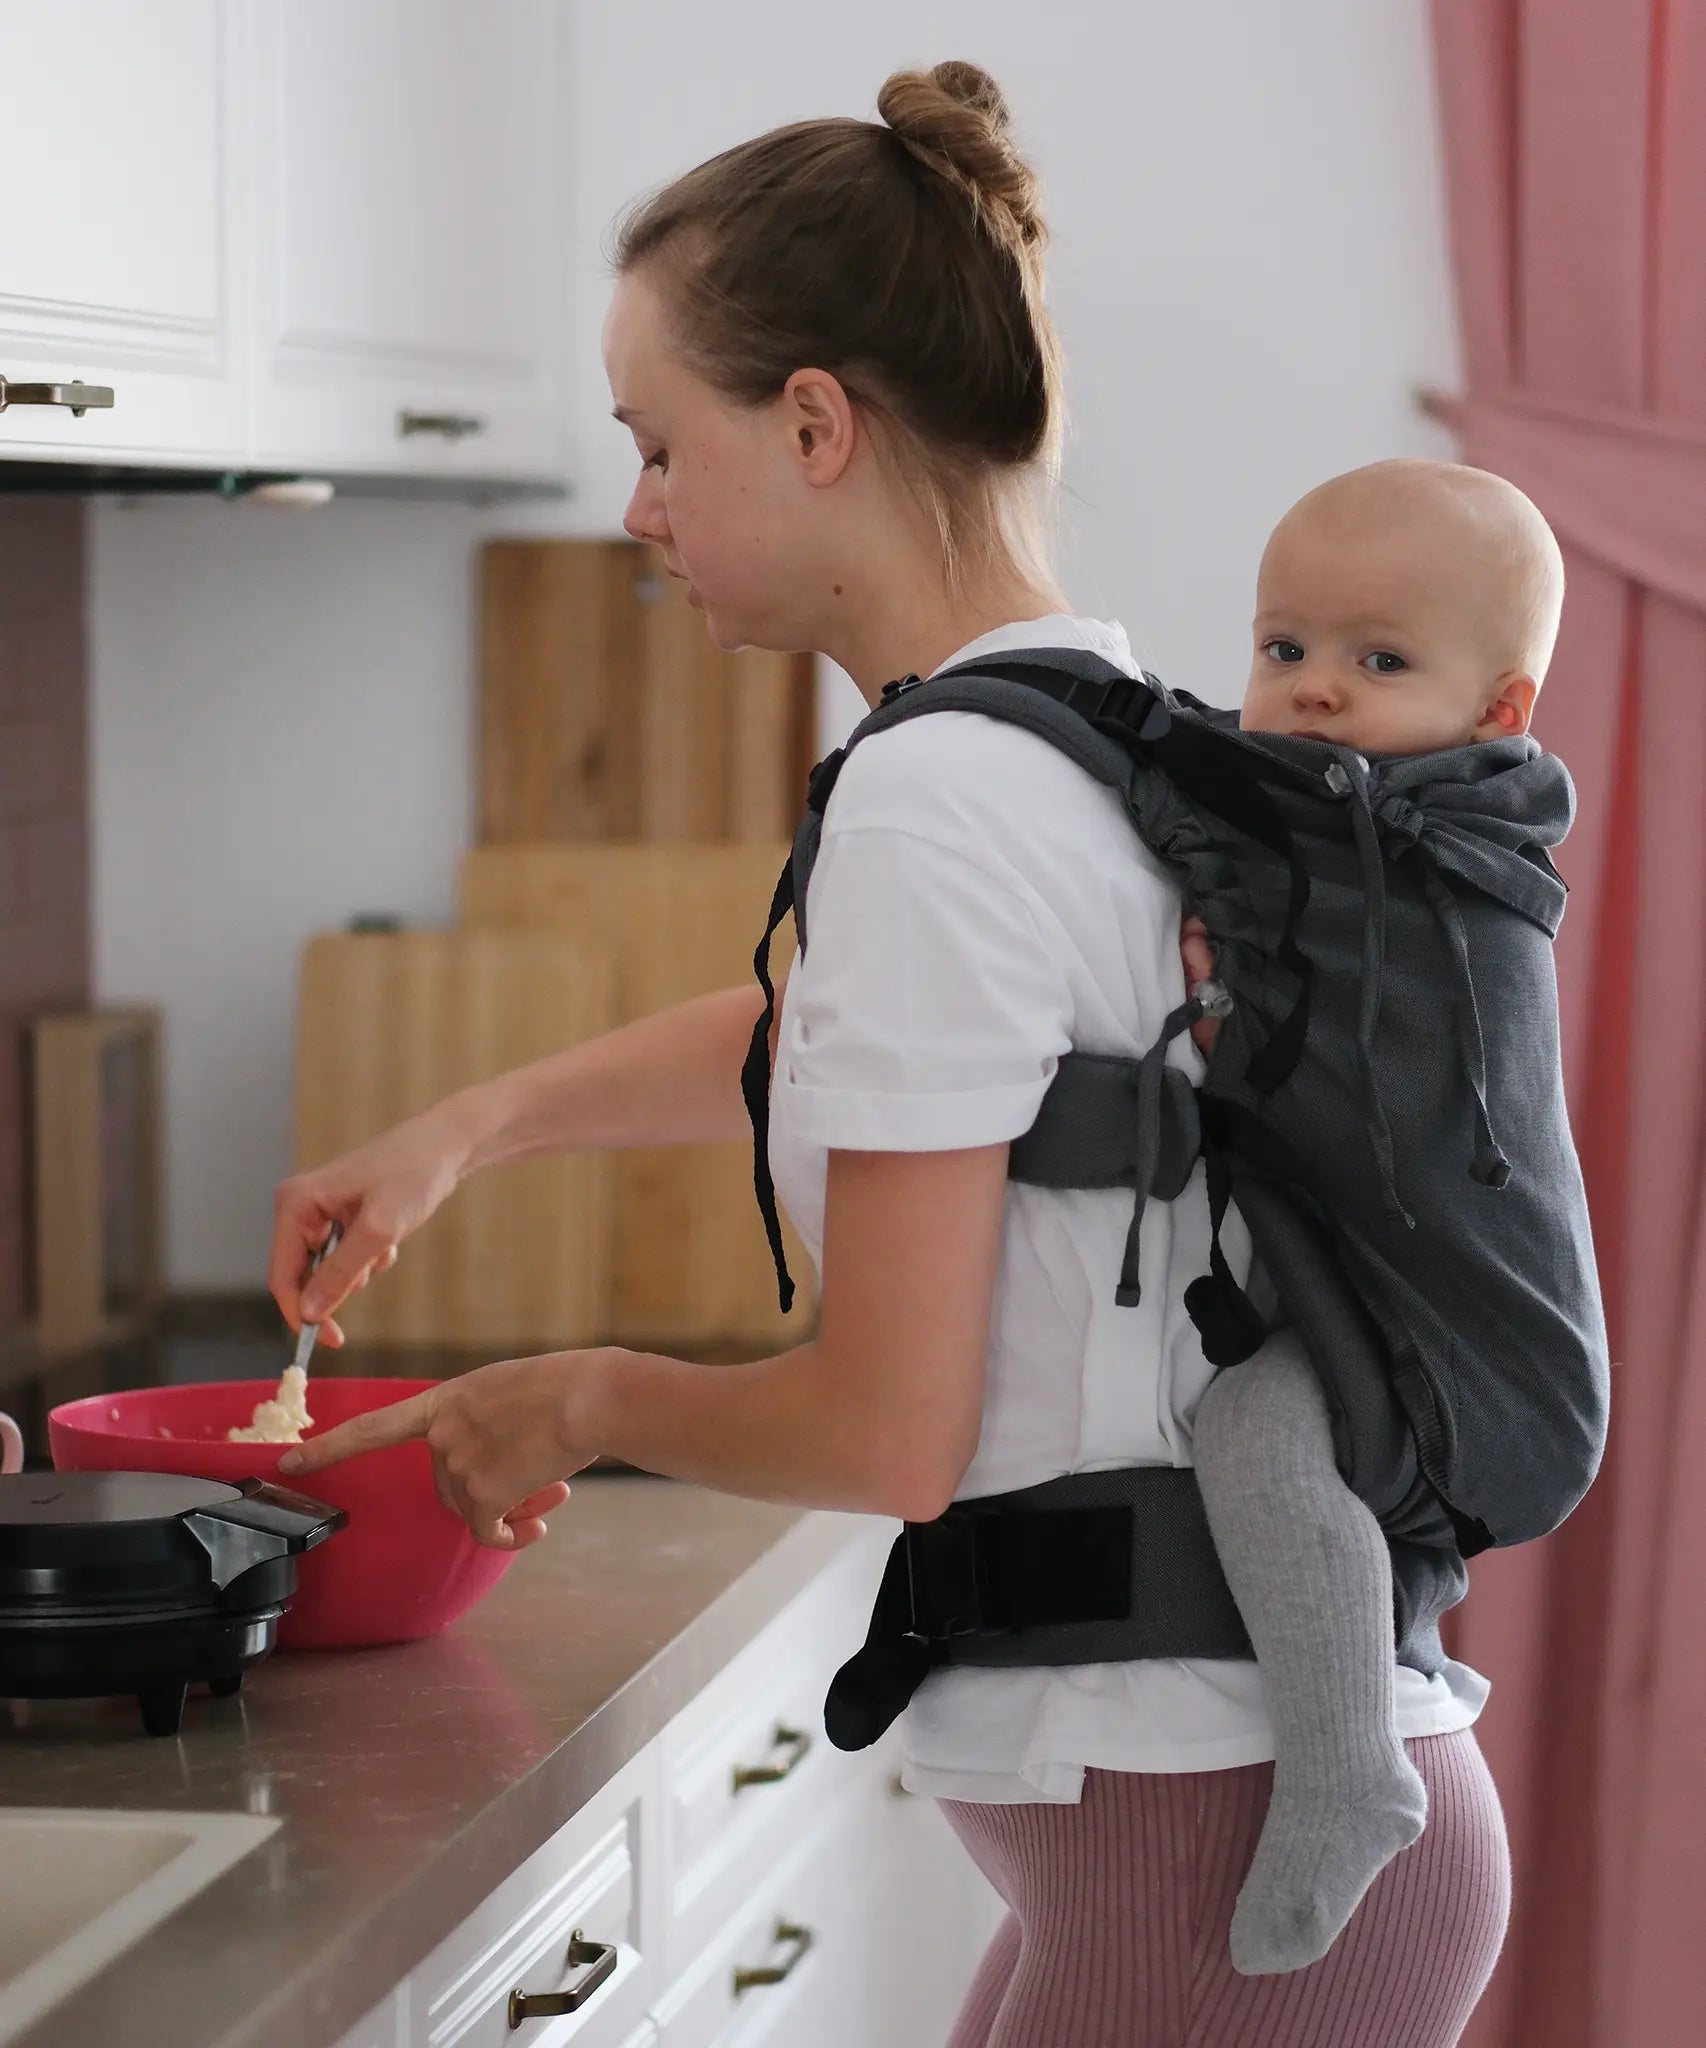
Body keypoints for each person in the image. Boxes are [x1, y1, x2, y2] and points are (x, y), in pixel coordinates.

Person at [271, 63, 1509, 2047]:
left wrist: (570, 1397)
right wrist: (474, 1124)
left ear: (817, 424)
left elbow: (886, 1431)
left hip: (1210, 1834)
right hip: (1238, 1813)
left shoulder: (940, 800)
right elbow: (868, 1038)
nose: (642, 508)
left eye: (661, 444)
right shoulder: (1096, 716)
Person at [1175, 456, 1563, 1976]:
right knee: (1287, 1447)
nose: (1314, 692)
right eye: (1283, 649)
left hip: (1480, 1346)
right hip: (1376, 1294)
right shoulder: (1339, 830)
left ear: (1497, 715)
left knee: (1253, 1434)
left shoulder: (1448, 865)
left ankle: (1350, 1774)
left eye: (1377, 661)